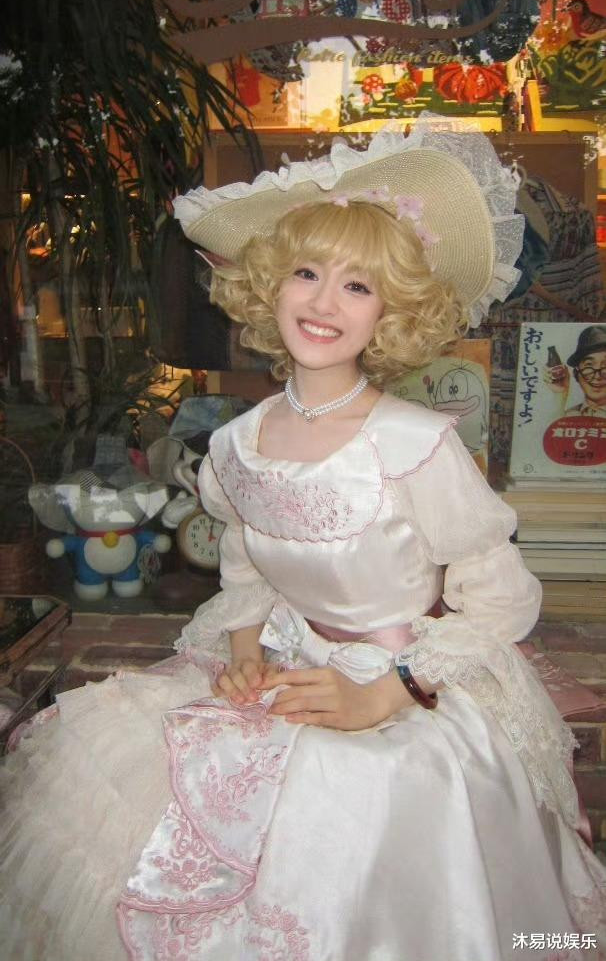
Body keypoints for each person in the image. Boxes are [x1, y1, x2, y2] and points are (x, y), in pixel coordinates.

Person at [1, 119, 605, 961]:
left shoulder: (413, 444)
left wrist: (391, 691)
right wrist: (245, 650)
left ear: (390, 311)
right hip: (288, 671)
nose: (324, 303)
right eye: (307, 273)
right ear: (270, 284)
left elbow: (501, 598)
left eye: (358, 286)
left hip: (404, 691)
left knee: (367, 831)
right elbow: (248, 571)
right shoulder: (237, 444)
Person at [544, 325, 606, 419]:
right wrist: (560, 395)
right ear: (576, 373)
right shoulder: (566, 415)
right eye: (589, 365)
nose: (597, 376)